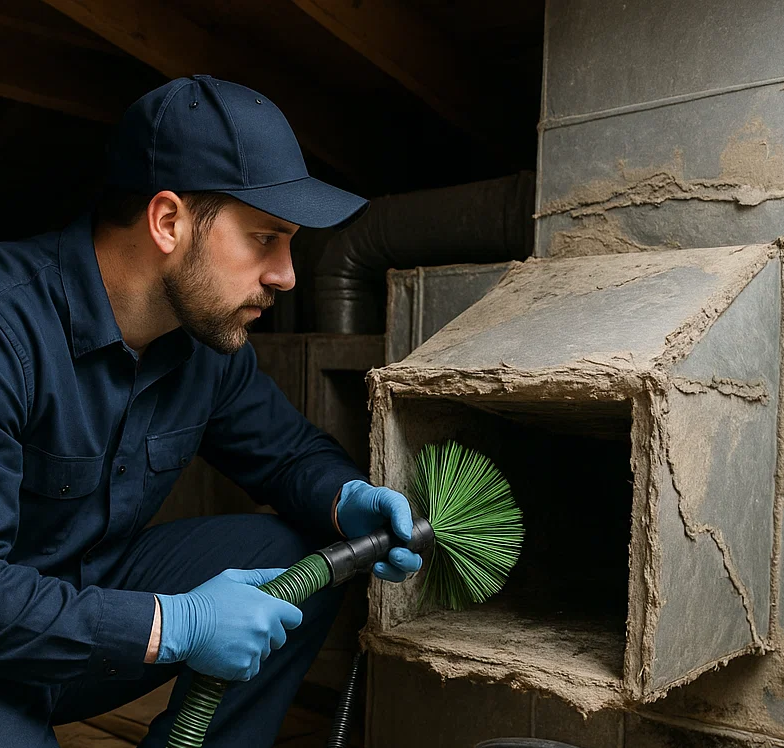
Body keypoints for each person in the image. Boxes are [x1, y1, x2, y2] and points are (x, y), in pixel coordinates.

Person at [0, 74, 422, 747]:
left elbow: (288, 455)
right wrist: (177, 624)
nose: (285, 274)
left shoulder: (205, 346)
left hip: (83, 636)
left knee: (304, 554)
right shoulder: (9, 329)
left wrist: (349, 500)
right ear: (168, 221)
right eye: (264, 238)